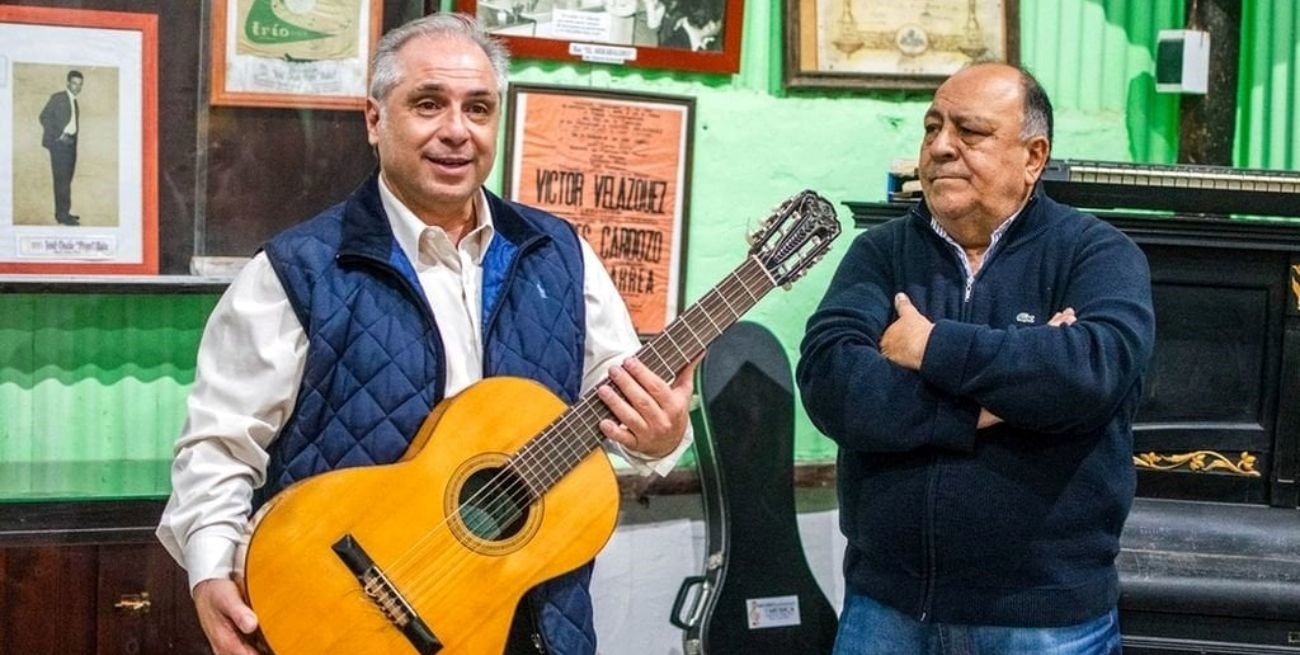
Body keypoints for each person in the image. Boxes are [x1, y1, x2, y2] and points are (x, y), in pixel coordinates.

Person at [156, 14, 695, 655]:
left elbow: (628, 411)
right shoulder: (298, 270)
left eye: (478, 108)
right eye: (428, 104)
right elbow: (218, 448)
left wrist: (662, 436)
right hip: (351, 625)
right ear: (374, 119)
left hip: (530, 629)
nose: (457, 131)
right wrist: (210, 570)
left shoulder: (561, 255)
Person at [797, 63, 1155, 654]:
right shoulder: (879, 254)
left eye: (970, 131)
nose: (941, 147)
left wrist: (930, 345)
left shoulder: (1097, 254)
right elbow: (833, 384)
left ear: (1033, 157)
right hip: (886, 611)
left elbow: (1089, 371)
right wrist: (991, 404)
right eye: (932, 127)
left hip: (1044, 620)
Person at [39, 69, 83, 226]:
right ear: (68, 83)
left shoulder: (74, 101)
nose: (77, 87)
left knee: (66, 180)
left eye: (80, 84)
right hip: (59, 145)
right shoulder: (58, 98)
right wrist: (59, 135)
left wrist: (71, 140)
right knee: (61, 181)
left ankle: (64, 212)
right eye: (74, 83)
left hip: (71, 145)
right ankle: (62, 216)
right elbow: (44, 116)